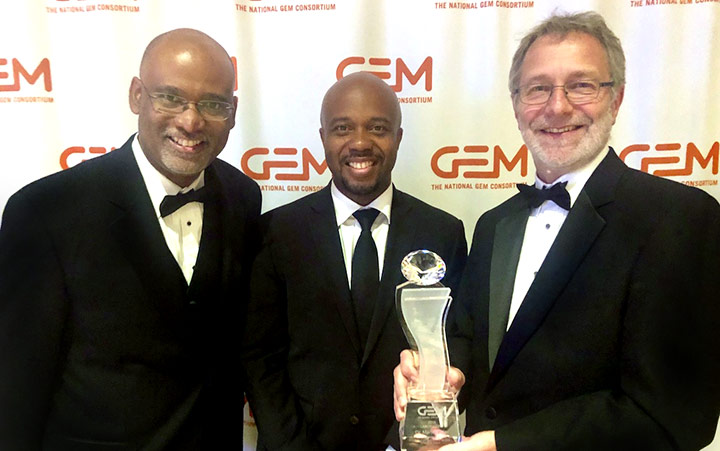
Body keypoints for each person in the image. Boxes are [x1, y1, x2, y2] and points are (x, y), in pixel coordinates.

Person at [394, 11, 720, 451]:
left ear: (616, 98)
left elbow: (676, 416)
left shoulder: (680, 219)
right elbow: (475, 347)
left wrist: (502, 444)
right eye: (538, 88)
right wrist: (441, 373)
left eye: (581, 85)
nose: (557, 106)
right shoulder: (494, 225)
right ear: (516, 105)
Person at [0, 28, 261, 449]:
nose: (190, 121)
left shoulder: (243, 197)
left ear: (232, 112)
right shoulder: (45, 212)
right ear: (138, 95)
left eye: (212, 105)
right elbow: (15, 389)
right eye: (170, 97)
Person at [243, 71, 468, 450]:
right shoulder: (277, 232)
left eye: (378, 128)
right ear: (323, 138)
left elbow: (455, 341)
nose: (360, 143)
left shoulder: (443, 232)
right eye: (343, 128)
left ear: (398, 137)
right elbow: (261, 357)